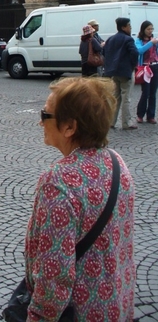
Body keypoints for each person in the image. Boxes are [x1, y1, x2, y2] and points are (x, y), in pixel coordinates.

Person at [22, 76, 135, 320]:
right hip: (116, 304)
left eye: (45, 115)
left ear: (70, 127)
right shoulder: (117, 162)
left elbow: (55, 274)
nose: (40, 122)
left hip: (80, 312)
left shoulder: (57, 181)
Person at [103, 17, 139, 130]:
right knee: (126, 97)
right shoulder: (128, 39)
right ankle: (126, 123)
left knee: (116, 98)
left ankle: (111, 122)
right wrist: (132, 65)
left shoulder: (110, 39)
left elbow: (104, 52)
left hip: (113, 72)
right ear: (124, 27)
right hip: (125, 71)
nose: (131, 27)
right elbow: (134, 53)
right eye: (129, 25)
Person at [134, 20, 158, 124]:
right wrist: (150, 43)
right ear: (143, 29)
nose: (150, 31)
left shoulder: (154, 40)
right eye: (148, 29)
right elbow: (139, 51)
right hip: (144, 68)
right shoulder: (139, 40)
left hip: (155, 66)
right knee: (146, 92)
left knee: (153, 93)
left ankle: (151, 115)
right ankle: (140, 115)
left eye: (152, 29)